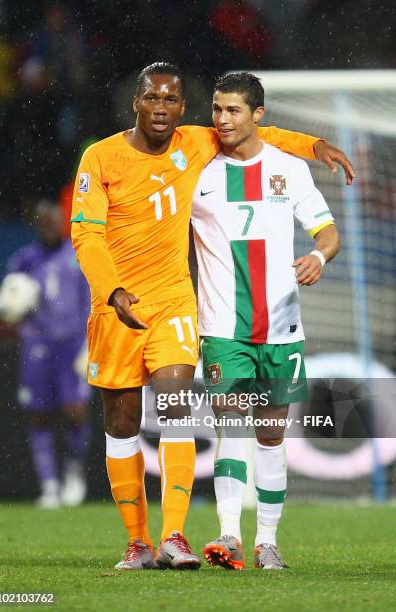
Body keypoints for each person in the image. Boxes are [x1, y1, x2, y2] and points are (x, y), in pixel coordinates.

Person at [70, 62, 353, 570]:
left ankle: (181, 536)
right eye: (151, 98)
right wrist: (111, 290)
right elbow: (86, 234)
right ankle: (143, 541)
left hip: (190, 306)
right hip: (128, 307)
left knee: (190, 407)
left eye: (171, 100)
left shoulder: (204, 146)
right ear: (135, 101)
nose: (161, 108)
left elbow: (259, 131)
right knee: (123, 422)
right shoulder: (107, 157)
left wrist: (312, 146)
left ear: (181, 108)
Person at [192, 72, 340, 570]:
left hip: (281, 328)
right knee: (231, 426)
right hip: (221, 327)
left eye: (233, 110)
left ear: (258, 115)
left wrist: (318, 258)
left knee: (271, 435)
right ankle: (229, 535)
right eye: (216, 109)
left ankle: (268, 542)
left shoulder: (289, 170)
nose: (222, 119)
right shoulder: (199, 169)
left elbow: (327, 233)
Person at [0, 200, 91, 508]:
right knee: (39, 414)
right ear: (36, 224)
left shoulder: (77, 256)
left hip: (72, 342)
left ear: (61, 223)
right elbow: (6, 304)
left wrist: (91, 343)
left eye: (53, 221)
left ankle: (74, 469)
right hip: (36, 344)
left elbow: (91, 301)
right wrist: (6, 307)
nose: (48, 225)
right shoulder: (24, 260)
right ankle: (49, 484)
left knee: (75, 411)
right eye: (43, 221)